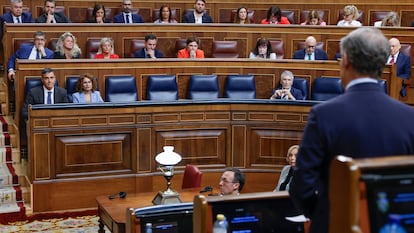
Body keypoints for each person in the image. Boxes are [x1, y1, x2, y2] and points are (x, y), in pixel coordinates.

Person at [289, 27, 414, 233]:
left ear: (345, 60)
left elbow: (302, 186)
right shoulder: (409, 117)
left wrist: (326, 214)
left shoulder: (324, 115)